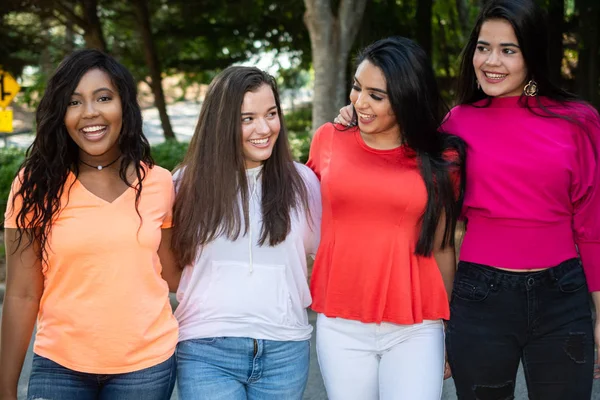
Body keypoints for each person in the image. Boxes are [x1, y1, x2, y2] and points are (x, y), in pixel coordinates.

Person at [340, 1, 600, 398]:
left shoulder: (578, 120)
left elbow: (592, 225)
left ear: (532, 52)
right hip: (481, 299)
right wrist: (356, 119)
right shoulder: (456, 123)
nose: (491, 61)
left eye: (508, 50)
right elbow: (400, 175)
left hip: (563, 298)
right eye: (483, 47)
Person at [0, 49, 180, 400]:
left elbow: (173, 273)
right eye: (74, 102)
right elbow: (22, 294)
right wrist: (5, 389)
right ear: (60, 114)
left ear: (124, 106)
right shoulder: (34, 185)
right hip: (59, 367)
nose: (90, 112)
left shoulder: (159, 183)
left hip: (146, 368)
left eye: (103, 97)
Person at [310, 36, 465, 399]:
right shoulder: (329, 139)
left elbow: (442, 248)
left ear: (406, 99)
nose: (360, 102)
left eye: (375, 95)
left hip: (416, 326)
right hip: (341, 322)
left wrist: (449, 327)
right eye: (356, 88)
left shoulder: (442, 159)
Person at [171, 66, 321, 400]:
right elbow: (165, 266)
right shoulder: (183, 185)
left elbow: (322, 257)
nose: (264, 128)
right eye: (247, 118)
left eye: (271, 114)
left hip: (285, 349)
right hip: (205, 349)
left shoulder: (303, 183)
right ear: (221, 123)